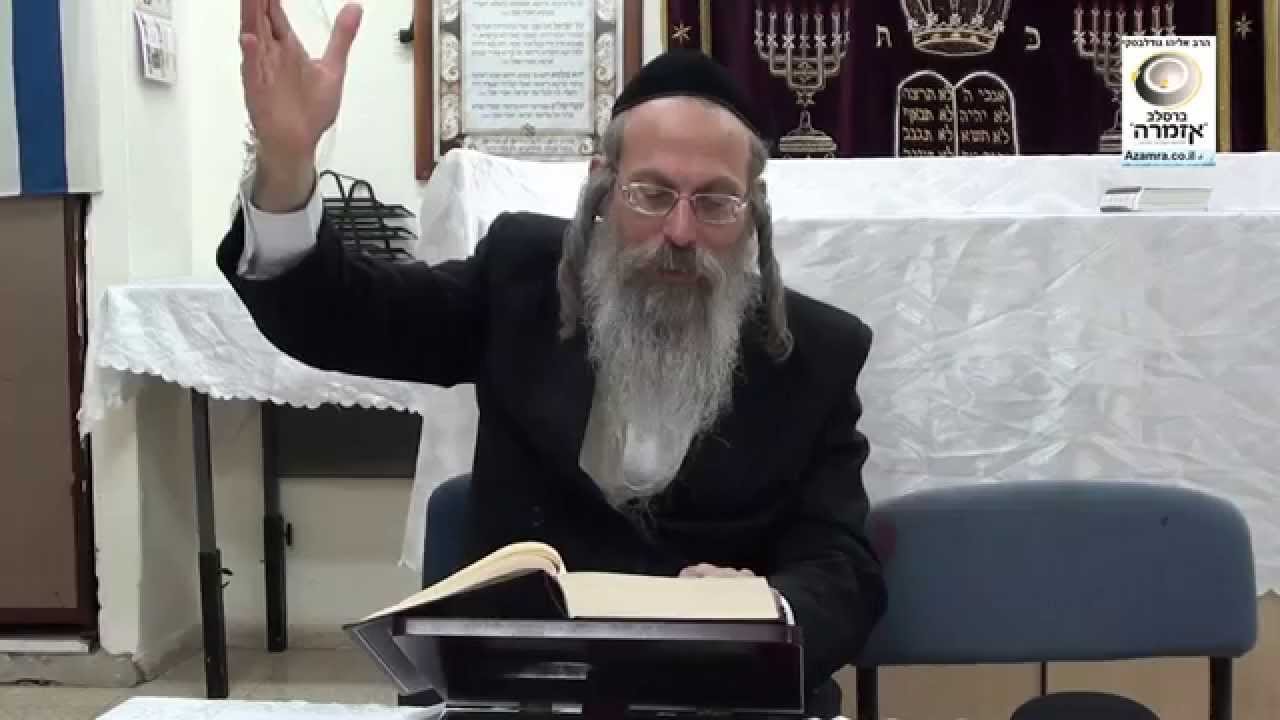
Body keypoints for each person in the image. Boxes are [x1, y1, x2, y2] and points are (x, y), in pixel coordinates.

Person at [228, 1, 886, 715]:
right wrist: (286, 162)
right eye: (652, 193)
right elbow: (338, 318)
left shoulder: (815, 353)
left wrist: (763, 609)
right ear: (602, 187)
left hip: (719, 699)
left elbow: (842, 570)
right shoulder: (522, 280)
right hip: (530, 695)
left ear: (751, 212)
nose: (681, 232)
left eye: (715, 203)